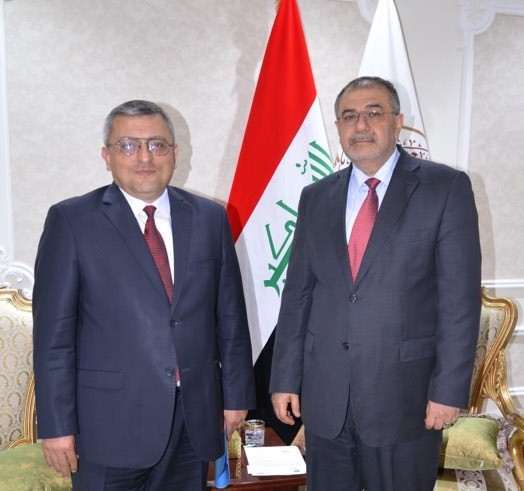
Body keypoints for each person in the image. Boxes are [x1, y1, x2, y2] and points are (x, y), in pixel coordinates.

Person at [270, 76, 481, 491]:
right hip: (327, 398)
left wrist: (448, 390)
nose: (361, 125)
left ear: (398, 121)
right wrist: (284, 379)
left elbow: (459, 302)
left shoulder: (445, 187)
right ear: (338, 127)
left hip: (406, 399)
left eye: (373, 113)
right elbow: (298, 296)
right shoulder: (317, 196)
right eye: (349, 116)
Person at [33, 100, 255, 490]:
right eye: (128, 145)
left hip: (192, 421)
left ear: (175, 152)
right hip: (106, 426)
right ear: (107, 156)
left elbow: (230, 318)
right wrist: (56, 426)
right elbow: (54, 338)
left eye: (157, 145)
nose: (144, 157)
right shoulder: (72, 221)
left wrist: (236, 397)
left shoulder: (209, 217)